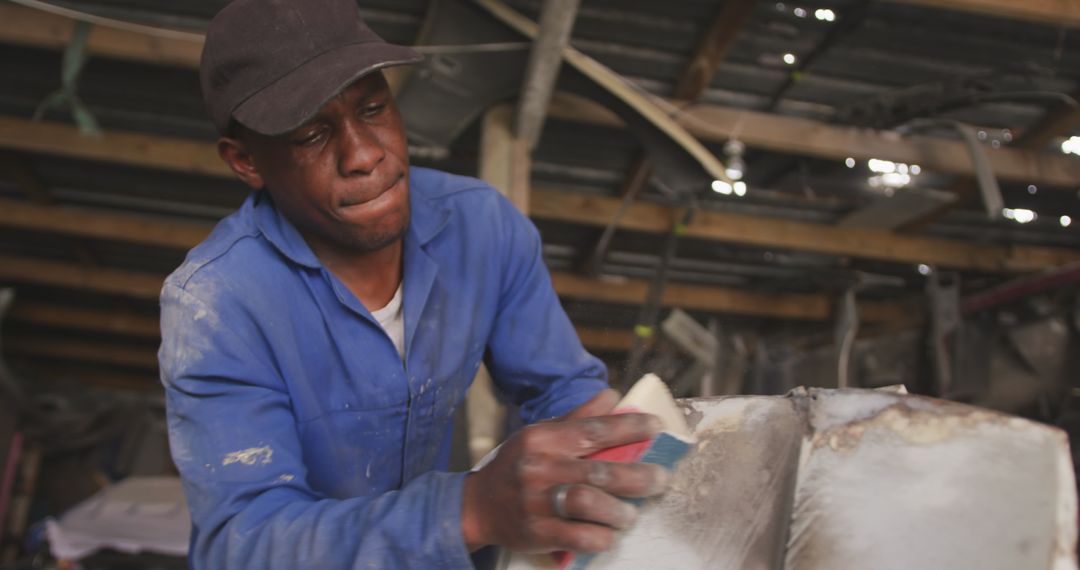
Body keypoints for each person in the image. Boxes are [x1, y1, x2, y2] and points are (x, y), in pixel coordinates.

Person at [158, 0, 670, 567]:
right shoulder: (217, 303)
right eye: (311, 135)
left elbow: (565, 392)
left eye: (374, 108)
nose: (365, 154)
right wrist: (469, 510)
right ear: (246, 161)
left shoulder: (481, 227)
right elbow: (245, 543)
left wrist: (609, 449)